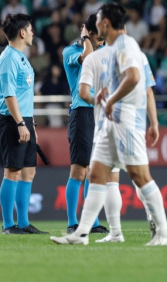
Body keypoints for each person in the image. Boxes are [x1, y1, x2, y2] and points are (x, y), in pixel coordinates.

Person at [51, 3, 167, 246]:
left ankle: (163, 233)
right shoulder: (108, 51)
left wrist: (111, 99)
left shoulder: (126, 46)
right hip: (109, 121)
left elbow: (136, 79)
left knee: (140, 176)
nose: (95, 25)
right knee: (97, 174)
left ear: (105, 24)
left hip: (125, 120)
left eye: (98, 21)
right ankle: (83, 233)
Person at [78, 38, 160, 243]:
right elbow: (148, 90)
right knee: (118, 179)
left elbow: (85, 92)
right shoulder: (137, 55)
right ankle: (112, 232)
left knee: (129, 178)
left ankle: (154, 227)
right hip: (125, 124)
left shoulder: (98, 57)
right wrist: (154, 123)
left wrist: (103, 100)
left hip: (117, 124)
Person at [0, 13, 47, 234]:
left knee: (28, 172)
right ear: (22, 32)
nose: (33, 32)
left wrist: (30, 121)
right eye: (30, 28)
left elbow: (24, 95)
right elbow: (9, 95)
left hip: (24, 119)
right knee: (12, 172)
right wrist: (19, 123)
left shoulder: (21, 56)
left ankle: (24, 223)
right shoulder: (9, 58)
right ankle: (8, 225)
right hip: (11, 120)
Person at [62, 14, 108, 234]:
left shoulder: (102, 49)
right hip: (82, 113)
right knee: (79, 169)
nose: (102, 40)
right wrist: (86, 40)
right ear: (89, 33)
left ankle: (92, 221)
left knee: (93, 171)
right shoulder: (71, 52)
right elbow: (87, 56)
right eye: (98, 36)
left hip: (100, 114)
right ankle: (72, 222)